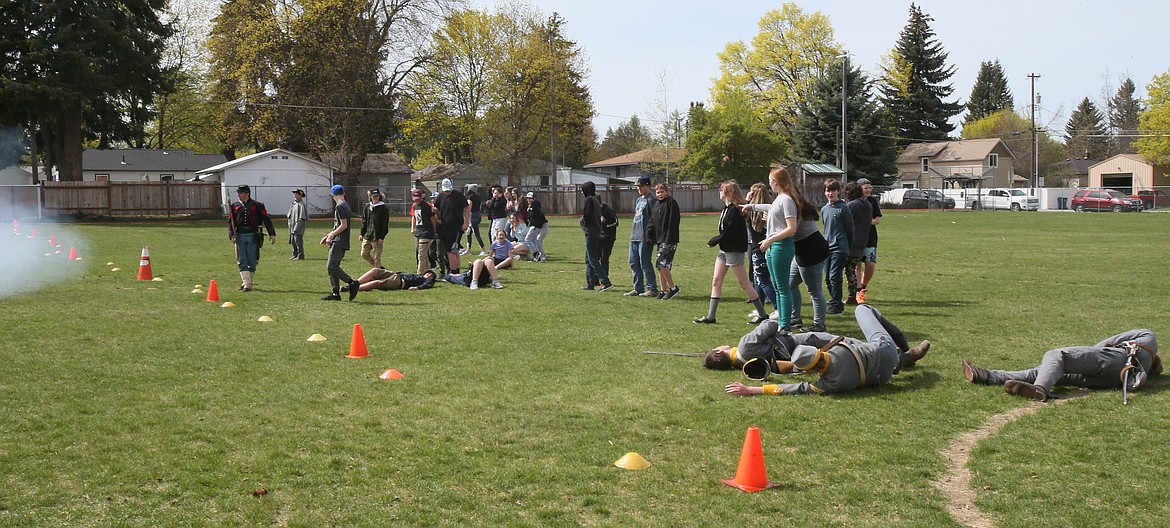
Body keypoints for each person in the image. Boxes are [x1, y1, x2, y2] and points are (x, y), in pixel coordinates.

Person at [719, 305, 931, 397]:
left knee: (871, 359)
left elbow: (796, 388)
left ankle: (902, 359)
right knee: (863, 310)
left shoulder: (829, 384)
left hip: (880, 379)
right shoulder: (838, 348)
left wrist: (752, 390)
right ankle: (902, 349)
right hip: (882, 352)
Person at [962, 330, 1161, 402]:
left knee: (1057, 356)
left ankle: (1040, 390)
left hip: (1111, 360)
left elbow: (1107, 343)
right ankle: (986, 376)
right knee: (1050, 371)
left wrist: (1087, 356)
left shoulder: (1146, 336)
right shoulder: (1141, 365)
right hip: (1112, 381)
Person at [695, 180, 767, 325]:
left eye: (721, 190)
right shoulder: (726, 209)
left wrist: (714, 240)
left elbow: (730, 232)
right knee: (716, 281)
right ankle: (711, 316)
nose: (719, 192)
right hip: (724, 249)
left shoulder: (734, 210)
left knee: (744, 284)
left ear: (727, 192)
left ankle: (762, 314)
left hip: (733, 250)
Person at [741, 168, 799, 328]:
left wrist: (770, 240)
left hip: (781, 246)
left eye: (770, 180)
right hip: (773, 246)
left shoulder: (787, 199)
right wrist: (751, 207)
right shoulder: (779, 199)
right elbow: (770, 207)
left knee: (782, 288)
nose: (769, 184)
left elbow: (791, 228)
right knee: (778, 287)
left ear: (777, 181)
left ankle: (785, 325)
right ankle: (782, 322)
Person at [788, 183, 830, 332]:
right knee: (789, 284)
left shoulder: (796, 208)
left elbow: (790, 231)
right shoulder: (794, 205)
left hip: (812, 253)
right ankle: (795, 318)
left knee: (814, 290)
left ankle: (819, 325)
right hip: (803, 253)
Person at [227, 184, 277, 292]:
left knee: (252, 260)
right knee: (242, 259)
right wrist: (232, 235)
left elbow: (266, 219)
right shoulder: (234, 206)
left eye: (240, 193)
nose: (238, 195)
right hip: (240, 235)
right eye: (238, 193)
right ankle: (247, 283)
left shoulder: (258, 205)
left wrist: (272, 233)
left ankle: (248, 280)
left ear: (247, 194)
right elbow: (230, 222)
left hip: (253, 235)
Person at [319, 184, 359, 301]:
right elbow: (338, 225)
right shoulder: (345, 204)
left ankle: (352, 283)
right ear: (343, 193)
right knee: (332, 267)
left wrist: (331, 235)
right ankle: (335, 293)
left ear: (332, 195)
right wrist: (327, 235)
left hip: (339, 241)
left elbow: (343, 225)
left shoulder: (340, 206)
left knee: (331, 266)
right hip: (339, 239)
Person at [821, 179, 854, 315]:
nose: (830, 193)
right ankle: (835, 300)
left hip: (840, 247)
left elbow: (850, 230)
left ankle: (837, 306)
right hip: (827, 248)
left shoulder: (843, 208)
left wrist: (847, 247)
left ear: (838, 191)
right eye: (828, 190)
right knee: (828, 277)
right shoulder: (824, 209)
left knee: (835, 276)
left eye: (833, 190)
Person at [625, 176, 659, 297]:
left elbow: (654, 219)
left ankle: (652, 288)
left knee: (645, 263)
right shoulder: (639, 200)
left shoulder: (651, 200)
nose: (639, 188)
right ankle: (638, 288)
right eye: (638, 186)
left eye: (642, 186)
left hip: (645, 237)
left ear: (648, 186)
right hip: (635, 235)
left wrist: (652, 236)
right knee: (633, 262)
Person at [744, 182, 774, 312]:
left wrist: (746, 200)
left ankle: (778, 308)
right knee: (757, 280)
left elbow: (740, 212)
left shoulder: (753, 213)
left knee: (763, 281)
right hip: (767, 246)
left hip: (758, 248)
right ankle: (760, 308)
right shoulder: (770, 209)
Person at [580, 181, 614, 291]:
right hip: (595, 232)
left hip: (591, 232)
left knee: (593, 259)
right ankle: (590, 283)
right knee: (588, 259)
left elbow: (587, 216)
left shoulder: (589, 200)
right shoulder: (595, 199)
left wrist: (583, 222)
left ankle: (605, 281)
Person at [843, 182, 872, 306]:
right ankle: (854, 295)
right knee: (852, 268)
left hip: (850, 243)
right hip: (862, 242)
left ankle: (851, 296)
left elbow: (846, 224)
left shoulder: (851, 205)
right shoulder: (869, 205)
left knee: (849, 270)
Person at [434, 178, 470, 274]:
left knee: (451, 251)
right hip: (445, 227)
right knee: (454, 250)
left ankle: (453, 273)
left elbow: (467, 207)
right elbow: (436, 208)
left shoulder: (458, 196)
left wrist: (466, 222)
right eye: (445, 190)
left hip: (456, 227)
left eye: (449, 190)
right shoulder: (440, 197)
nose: (447, 192)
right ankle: (456, 271)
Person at [652, 183, 681, 299]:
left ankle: (673, 288)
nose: (660, 194)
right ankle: (663, 290)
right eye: (658, 192)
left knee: (662, 263)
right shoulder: (656, 205)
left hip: (669, 239)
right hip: (660, 239)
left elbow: (673, 221)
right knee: (660, 266)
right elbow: (653, 221)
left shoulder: (671, 203)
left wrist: (669, 238)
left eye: (662, 192)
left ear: (667, 192)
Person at [856, 178, 882, 304]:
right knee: (857, 265)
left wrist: (867, 222)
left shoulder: (872, 201)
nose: (868, 190)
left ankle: (863, 286)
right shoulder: (854, 201)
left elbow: (877, 220)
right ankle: (857, 291)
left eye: (869, 188)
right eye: (865, 188)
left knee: (870, 265)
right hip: (857, 239)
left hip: (870, 238)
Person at [409, 188, 438, 274]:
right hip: (418, 232)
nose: (417, 199)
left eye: (418, 197)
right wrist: (413, 227)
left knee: (421, 256)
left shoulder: (426, 206)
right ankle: (426, 272)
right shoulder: (414, 206)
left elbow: (433, 219)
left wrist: (434, 231)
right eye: (415, 197)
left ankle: (419, 274)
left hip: (426, 232)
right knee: (423, 255)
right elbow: (414, 217)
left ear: (421, 197)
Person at [359, 189, 390, 269]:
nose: (375, 198)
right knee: (364, 254)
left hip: (377, 236)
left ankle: (378, 274)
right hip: (368, 235)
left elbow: (385, 224)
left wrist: (381, 237)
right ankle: (379, 268)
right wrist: (362, 233)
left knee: (377, 258)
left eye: (377, 196)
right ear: (370, 197)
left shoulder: (383, 208)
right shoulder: (367, 207)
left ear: (380, 197)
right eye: (374, 196)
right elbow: (364, 221)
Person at [347, 268, 437, 292]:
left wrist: (416, 288)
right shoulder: (419, 275)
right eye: (428, 273)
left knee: (376, 283)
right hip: (396, 275)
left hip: (400, 282)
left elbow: (427, 285)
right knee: (375, 270)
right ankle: (354, 283)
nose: (429, 275)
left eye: (431, 276)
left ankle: (351, 288)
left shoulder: (426, 282)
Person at [524, 191, 549, 262]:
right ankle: (539, 256)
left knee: (528, 239)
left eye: (530, 198)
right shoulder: (530, 206)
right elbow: (529, 216)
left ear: (534, 199)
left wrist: (530, 209)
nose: (528, 200)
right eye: (527, 198)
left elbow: (534, 214)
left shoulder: (535, 204)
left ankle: (536, 253)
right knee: (535, 240)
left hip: (536, 225)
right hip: (535, 225)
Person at [598, 199, 619, 284]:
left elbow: (616, 222)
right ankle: (596, 279)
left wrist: (605, 224)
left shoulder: (607, 210)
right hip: (599, 237)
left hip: (608, 239)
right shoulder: (596, 210)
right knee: (595, 259)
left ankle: (604, 279)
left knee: (604, 259)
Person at [464, 183, 486, 256]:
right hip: (478, 215)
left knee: (476, 233)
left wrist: (467, 220)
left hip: (473, 216)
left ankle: (484, 250)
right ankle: (468, 249)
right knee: (468, 233)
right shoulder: (478, 197)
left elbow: (469, 208)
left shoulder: (471, 198)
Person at [287, 189, 308, 260]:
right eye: (294, 194)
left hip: (297, 227)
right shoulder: (294, 203)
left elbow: (302, 218)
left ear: (300, 195)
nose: (295, 196)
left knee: (298, 242)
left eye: (296, 194)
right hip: (292, 226)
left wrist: (297, 227)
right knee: (293, 241)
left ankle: (300, 255)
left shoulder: (301, 204)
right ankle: (294, 254)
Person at [486, 184, 508, 249]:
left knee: (497, 232)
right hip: (495, 218)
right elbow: (491, 207)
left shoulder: (503, 200)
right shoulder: (494, 200)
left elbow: (502, 205)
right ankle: (494, 247)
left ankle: (499, 247)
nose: (495, 194)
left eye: (497, 193)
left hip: (501, 218)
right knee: (492, 233)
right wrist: (493, 199)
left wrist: (500, 197)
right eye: (494, 193)